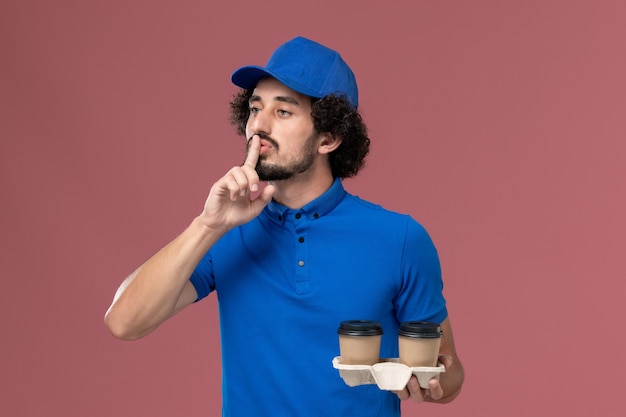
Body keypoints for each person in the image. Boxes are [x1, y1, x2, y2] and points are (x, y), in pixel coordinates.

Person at [105, 36, 464, 416]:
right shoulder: (223, 231)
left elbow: (450, 371)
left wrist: (434, 384)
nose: (257, 126)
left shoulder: (401, 239)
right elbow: (124, 322)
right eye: (255, 108)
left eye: (283, 112)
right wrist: (207, 225)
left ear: (329, 137)